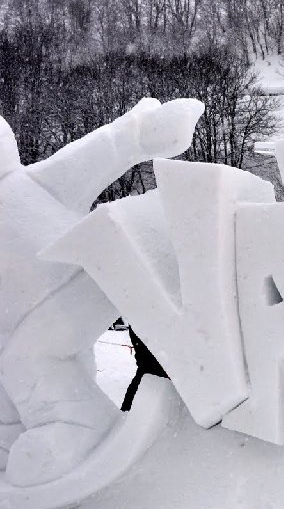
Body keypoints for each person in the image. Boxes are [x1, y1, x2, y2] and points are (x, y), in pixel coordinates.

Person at [0, 98, 202, 487]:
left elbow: (96, 154)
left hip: (78, 279)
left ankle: (76, 426)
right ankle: (11, 440)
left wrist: (141, 132)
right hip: (30, 316)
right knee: (13, 366)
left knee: (29, 360)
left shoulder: (32, 185)